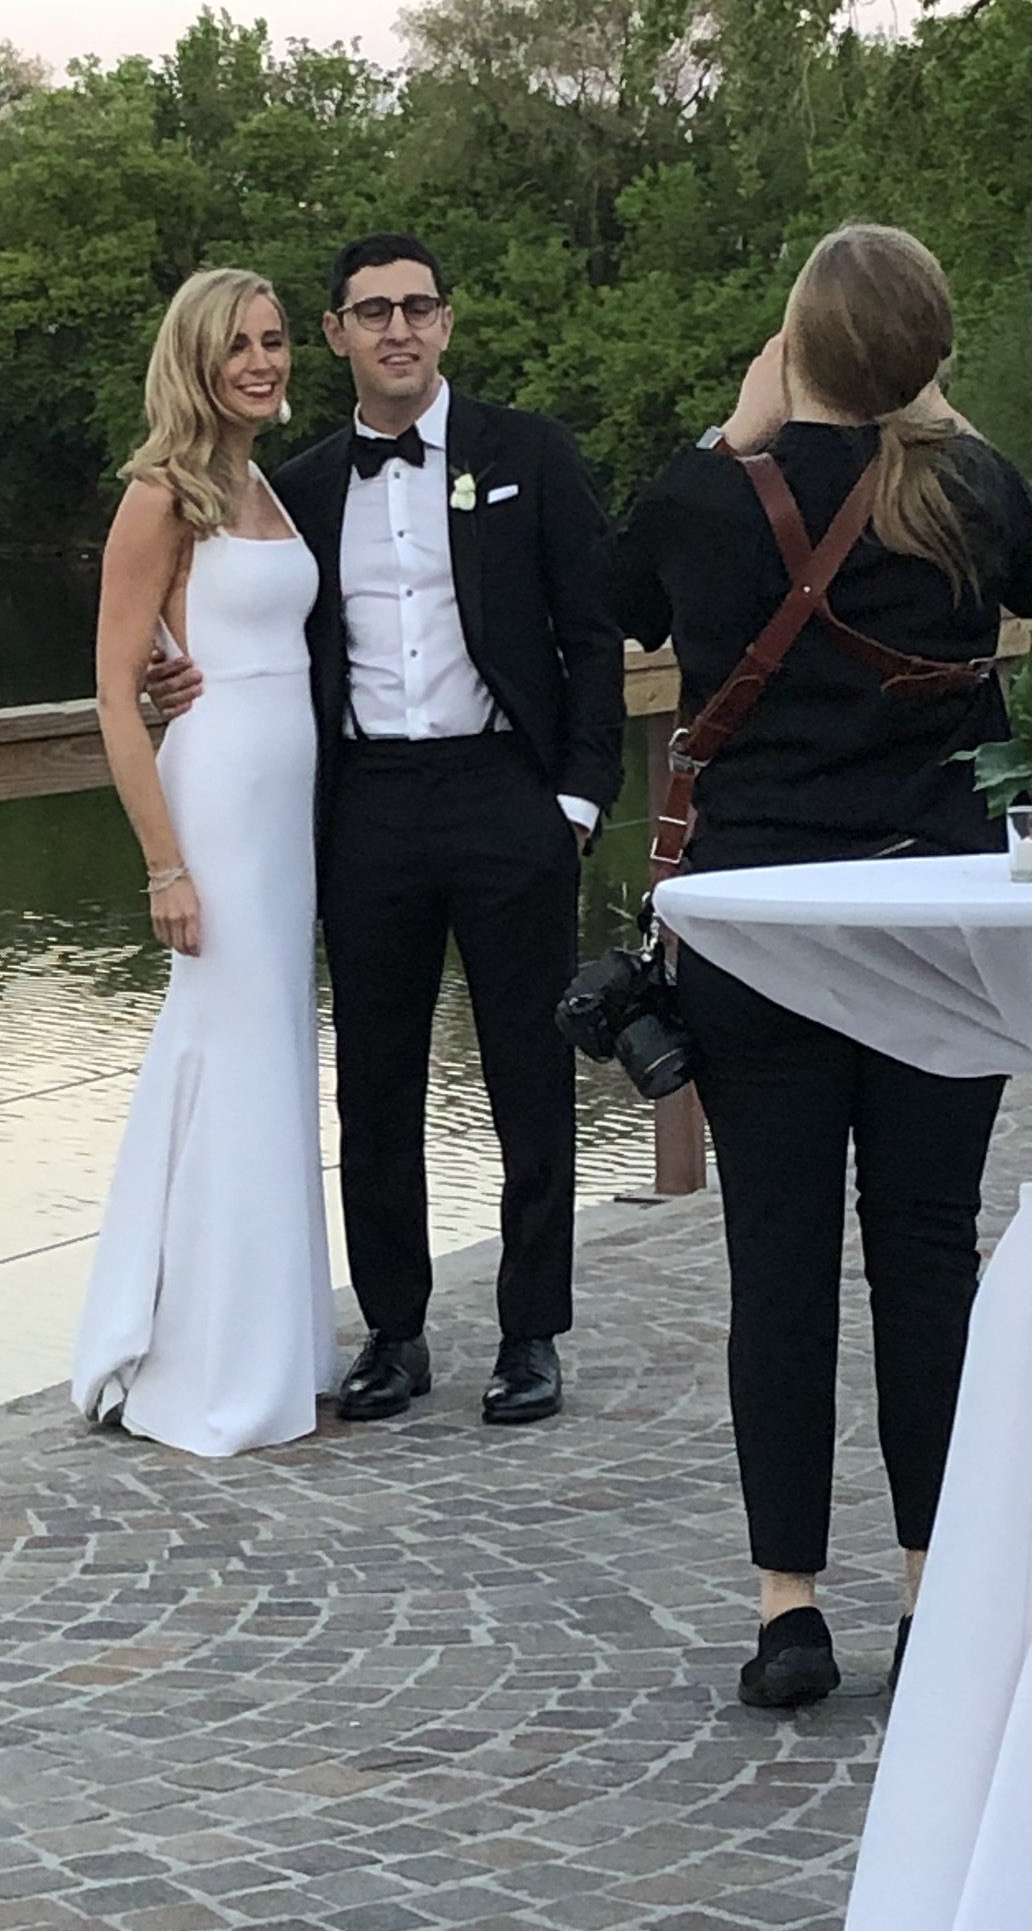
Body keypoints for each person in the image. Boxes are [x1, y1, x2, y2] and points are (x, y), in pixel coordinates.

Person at [611, 222, 1032, 1707]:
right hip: (935, 931)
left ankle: (790, 1609)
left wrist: (733, 433)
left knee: (776, 1267)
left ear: (793, 350)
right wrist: (941, 419)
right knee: (925, 1257)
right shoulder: (976, 493)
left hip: (764, 933)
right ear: (926, 362)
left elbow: (616, 602)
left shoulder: (709, 497)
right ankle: (933, 1593)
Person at [152, 233, 624, 1426]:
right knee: (376, 1078)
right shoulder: (297, 486)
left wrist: (575, 799)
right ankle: (397, 1329)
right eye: (372, 312)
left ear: (447, 324)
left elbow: (593, 639)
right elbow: (222, 619)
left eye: (417, 307)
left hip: (505, 796)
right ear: (338, 335)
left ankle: (529, 1331)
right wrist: (168, 679)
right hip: (362, 805)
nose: (397, 329)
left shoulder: (531, 454)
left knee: (528, 1069)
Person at [70, 268, 337, 1456]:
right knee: (228, 1057)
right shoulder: (160, 494)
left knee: (271, 1057)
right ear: (194, 356)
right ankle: (209, 1363)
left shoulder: (264, 476)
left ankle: (277, 1342)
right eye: (239, 345)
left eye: (275, 342)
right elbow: (118, 698)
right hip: (218, 805)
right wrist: (163, 866)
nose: (263, 362)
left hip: (289, 809)